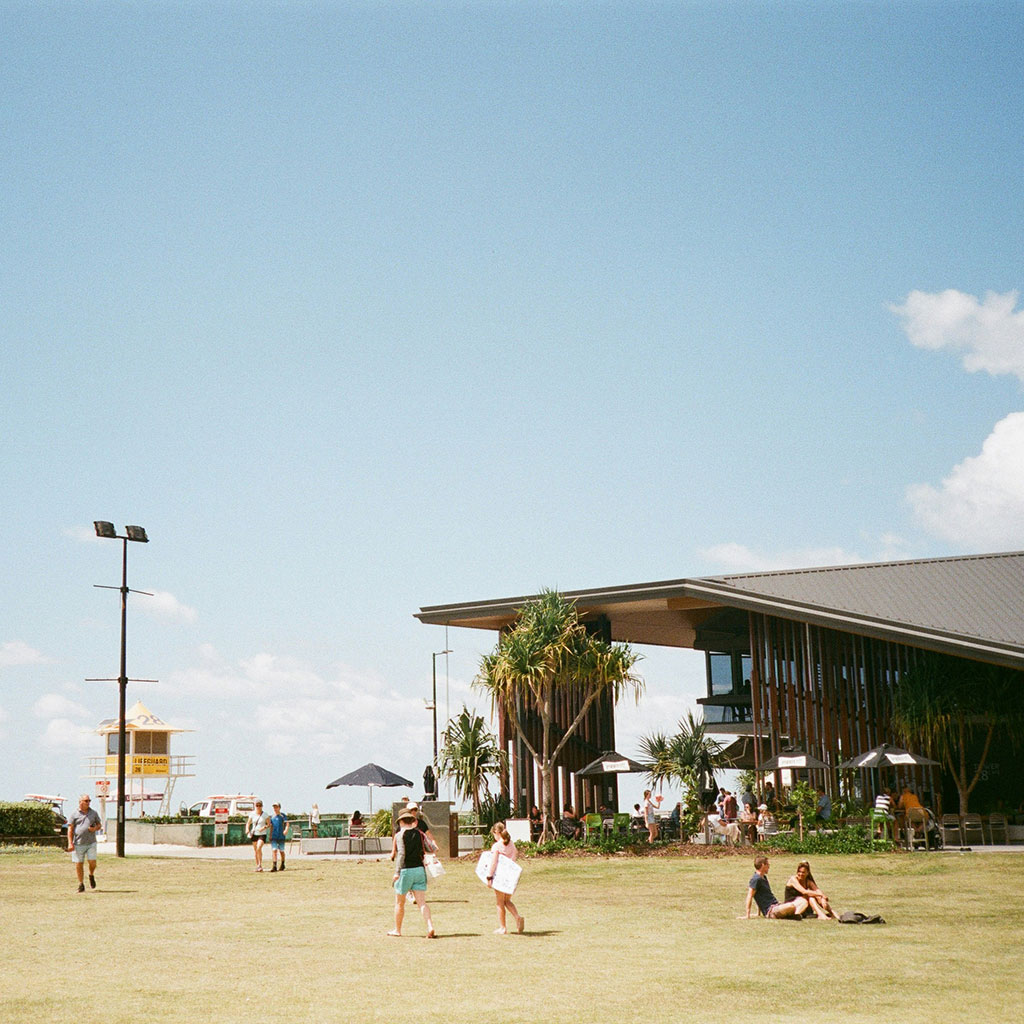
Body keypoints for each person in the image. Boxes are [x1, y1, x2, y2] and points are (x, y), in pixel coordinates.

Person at [388, 806, 436, 938]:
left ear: (401, 822)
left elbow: (401, 854)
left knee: (399, 902)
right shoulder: (420, 833)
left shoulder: (399, 835)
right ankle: (430, 926)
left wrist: (397, 872)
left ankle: (397, 930)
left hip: (405, 871)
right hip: (420, 870)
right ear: (412, 820)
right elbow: (431, 848)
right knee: (422, 903)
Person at [487, 822, 524, 934]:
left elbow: (493, 862)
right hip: (511, 876)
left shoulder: (497, 846)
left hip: (500, 877)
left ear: (496, 833)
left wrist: (489, 876)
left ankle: (502, 927)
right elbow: (514, 857)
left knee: (499, 902)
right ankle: (517, 916)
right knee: (507, 900)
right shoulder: (512, 844)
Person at [744, 855, 808, 919]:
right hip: (771, 910)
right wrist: (747, 915)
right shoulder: (756, 879)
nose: (769, 867)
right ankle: (792, 915)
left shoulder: (764, 877)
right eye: (768, 864)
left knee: (803, 901)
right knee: (791, 906)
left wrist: (758, 913)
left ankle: (794, 914)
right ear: (763, 865)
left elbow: (760, 896)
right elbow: (750, 896)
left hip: (776, 905)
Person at [67, 793, 102, 893]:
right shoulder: (74, 814)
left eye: (89, 801)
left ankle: (91, 874)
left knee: (92, 862)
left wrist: (94, 828)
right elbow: (70, 829)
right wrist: (70, 843)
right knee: (79, 864)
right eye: (86, 801)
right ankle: (81, 884)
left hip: (91, 842)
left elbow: (99, 825)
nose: (88, 803)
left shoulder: (93, 813)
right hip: (78, 843)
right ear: (80, 802)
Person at [246, 799, 271, 872]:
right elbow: (248, 823)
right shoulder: (252, 814)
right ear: (255, 806)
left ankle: (260, 864)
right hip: (254, 833)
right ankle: (258, 865)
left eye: (260, 805)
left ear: (262, 806)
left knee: (259, 847)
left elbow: (269, 824)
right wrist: (247, 829)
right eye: (257, 805)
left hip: (262, 834)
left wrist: (264, 827)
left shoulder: (265, 814)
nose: (258, 807)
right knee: (256, 850)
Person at [268, 802, 290, 872]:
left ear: (279, 808)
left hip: (281, 836)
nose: (275, 809)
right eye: (274, 807)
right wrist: (270, 835)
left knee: (281, 851)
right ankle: (274, 866)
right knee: (274, 850)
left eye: (276, 807)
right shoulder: (272, 817)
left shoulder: (283, 815)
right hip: (274, 836)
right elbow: (271, 826)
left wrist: (286, 830)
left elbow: (287, 823)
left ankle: (283, 863)